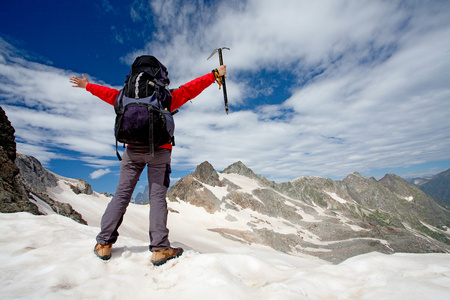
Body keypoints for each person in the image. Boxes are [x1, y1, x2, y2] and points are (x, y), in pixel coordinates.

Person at [70, 59, 226, 266]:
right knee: (157, 198)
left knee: (121, 195)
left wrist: (87, 85)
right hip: (160, 151)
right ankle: (160, 249)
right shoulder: (164, 96)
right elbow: (189, 90)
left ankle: (104, 244)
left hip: (132, 151)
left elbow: (107, 94)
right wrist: (214, 74)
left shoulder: (124, 95)